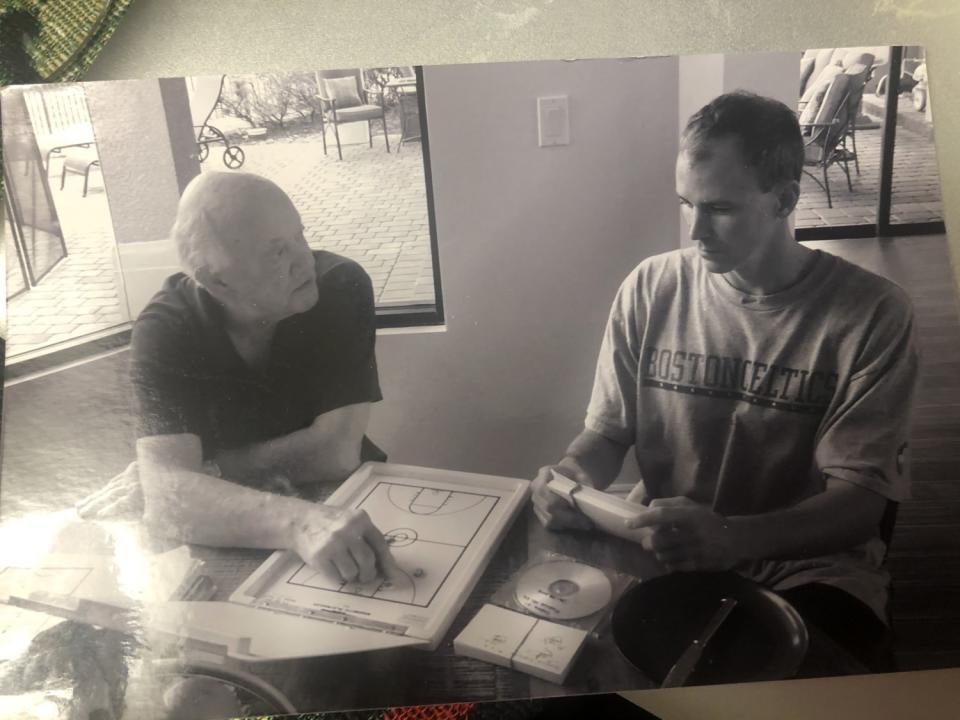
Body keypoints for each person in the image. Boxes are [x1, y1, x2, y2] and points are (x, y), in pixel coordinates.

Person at [531, 91, 919, 673]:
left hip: (812, 570)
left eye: (720, 209)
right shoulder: (650, 287)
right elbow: (608, 435)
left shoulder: (873, 314)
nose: (696, 231)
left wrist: (734, 538)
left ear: (784, 199)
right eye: (687, 203)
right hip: (666, 553)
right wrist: (571, 477)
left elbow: (861, 505)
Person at [79, 171, 397, 584]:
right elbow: (168, 505)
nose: (305, 260)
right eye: (277, 252)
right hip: (239, 534)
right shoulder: (164, 329)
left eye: (300, 235)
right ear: (217, 280)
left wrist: (200, 475)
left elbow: (334, 451)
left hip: (349, 502)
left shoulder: (340, 285)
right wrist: (296, 523)